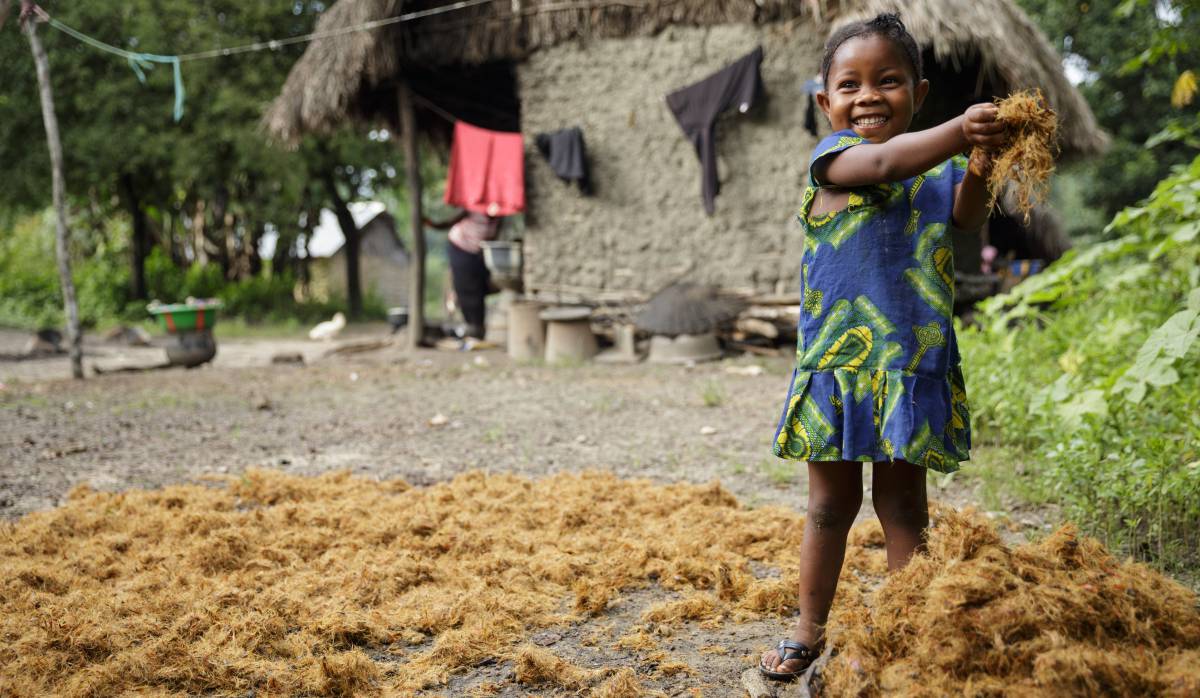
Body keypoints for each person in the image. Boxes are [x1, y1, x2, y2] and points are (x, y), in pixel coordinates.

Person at [758, 13, 1007, 681]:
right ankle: (808, 630)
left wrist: (982, 159)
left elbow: (969, 215)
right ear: (825, 101)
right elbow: (887, 163)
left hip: (909, 367)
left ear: (918, 94)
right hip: (839, 367)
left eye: (888, 81)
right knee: (829, 505)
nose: (868, 95)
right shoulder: (835, 160)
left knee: (903, 507)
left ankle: (907, 631)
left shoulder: (936, 171)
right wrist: (961, 129)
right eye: (850, 85)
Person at [424, 207, 501, 340]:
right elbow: (449, 222)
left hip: (477, 252)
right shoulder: (472, 207)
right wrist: (432, 224)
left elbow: (493, 235)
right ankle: (471, 326)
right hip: (460, 248)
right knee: (465, 287)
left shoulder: (499, 214)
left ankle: (478, 327)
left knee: (479, 289)